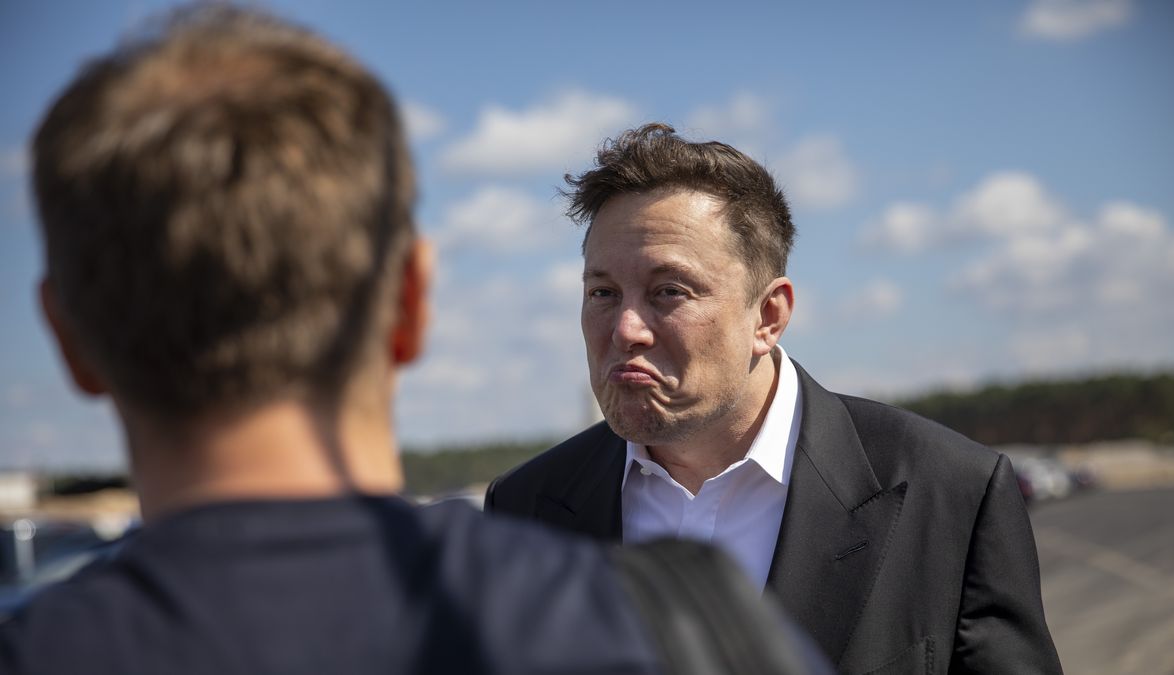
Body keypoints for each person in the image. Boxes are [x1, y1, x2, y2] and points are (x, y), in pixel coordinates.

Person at [0, 10, 828, 675]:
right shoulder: (685, 631)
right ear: (410, 303)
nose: (625, 326)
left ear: (69, 339)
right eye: (601, 292)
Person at [487, 123, 1064, 674]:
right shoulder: (525, 508)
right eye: (603, 292)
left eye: (668, 291)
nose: (626, 329)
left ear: (768, 316)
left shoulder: (949, 491)